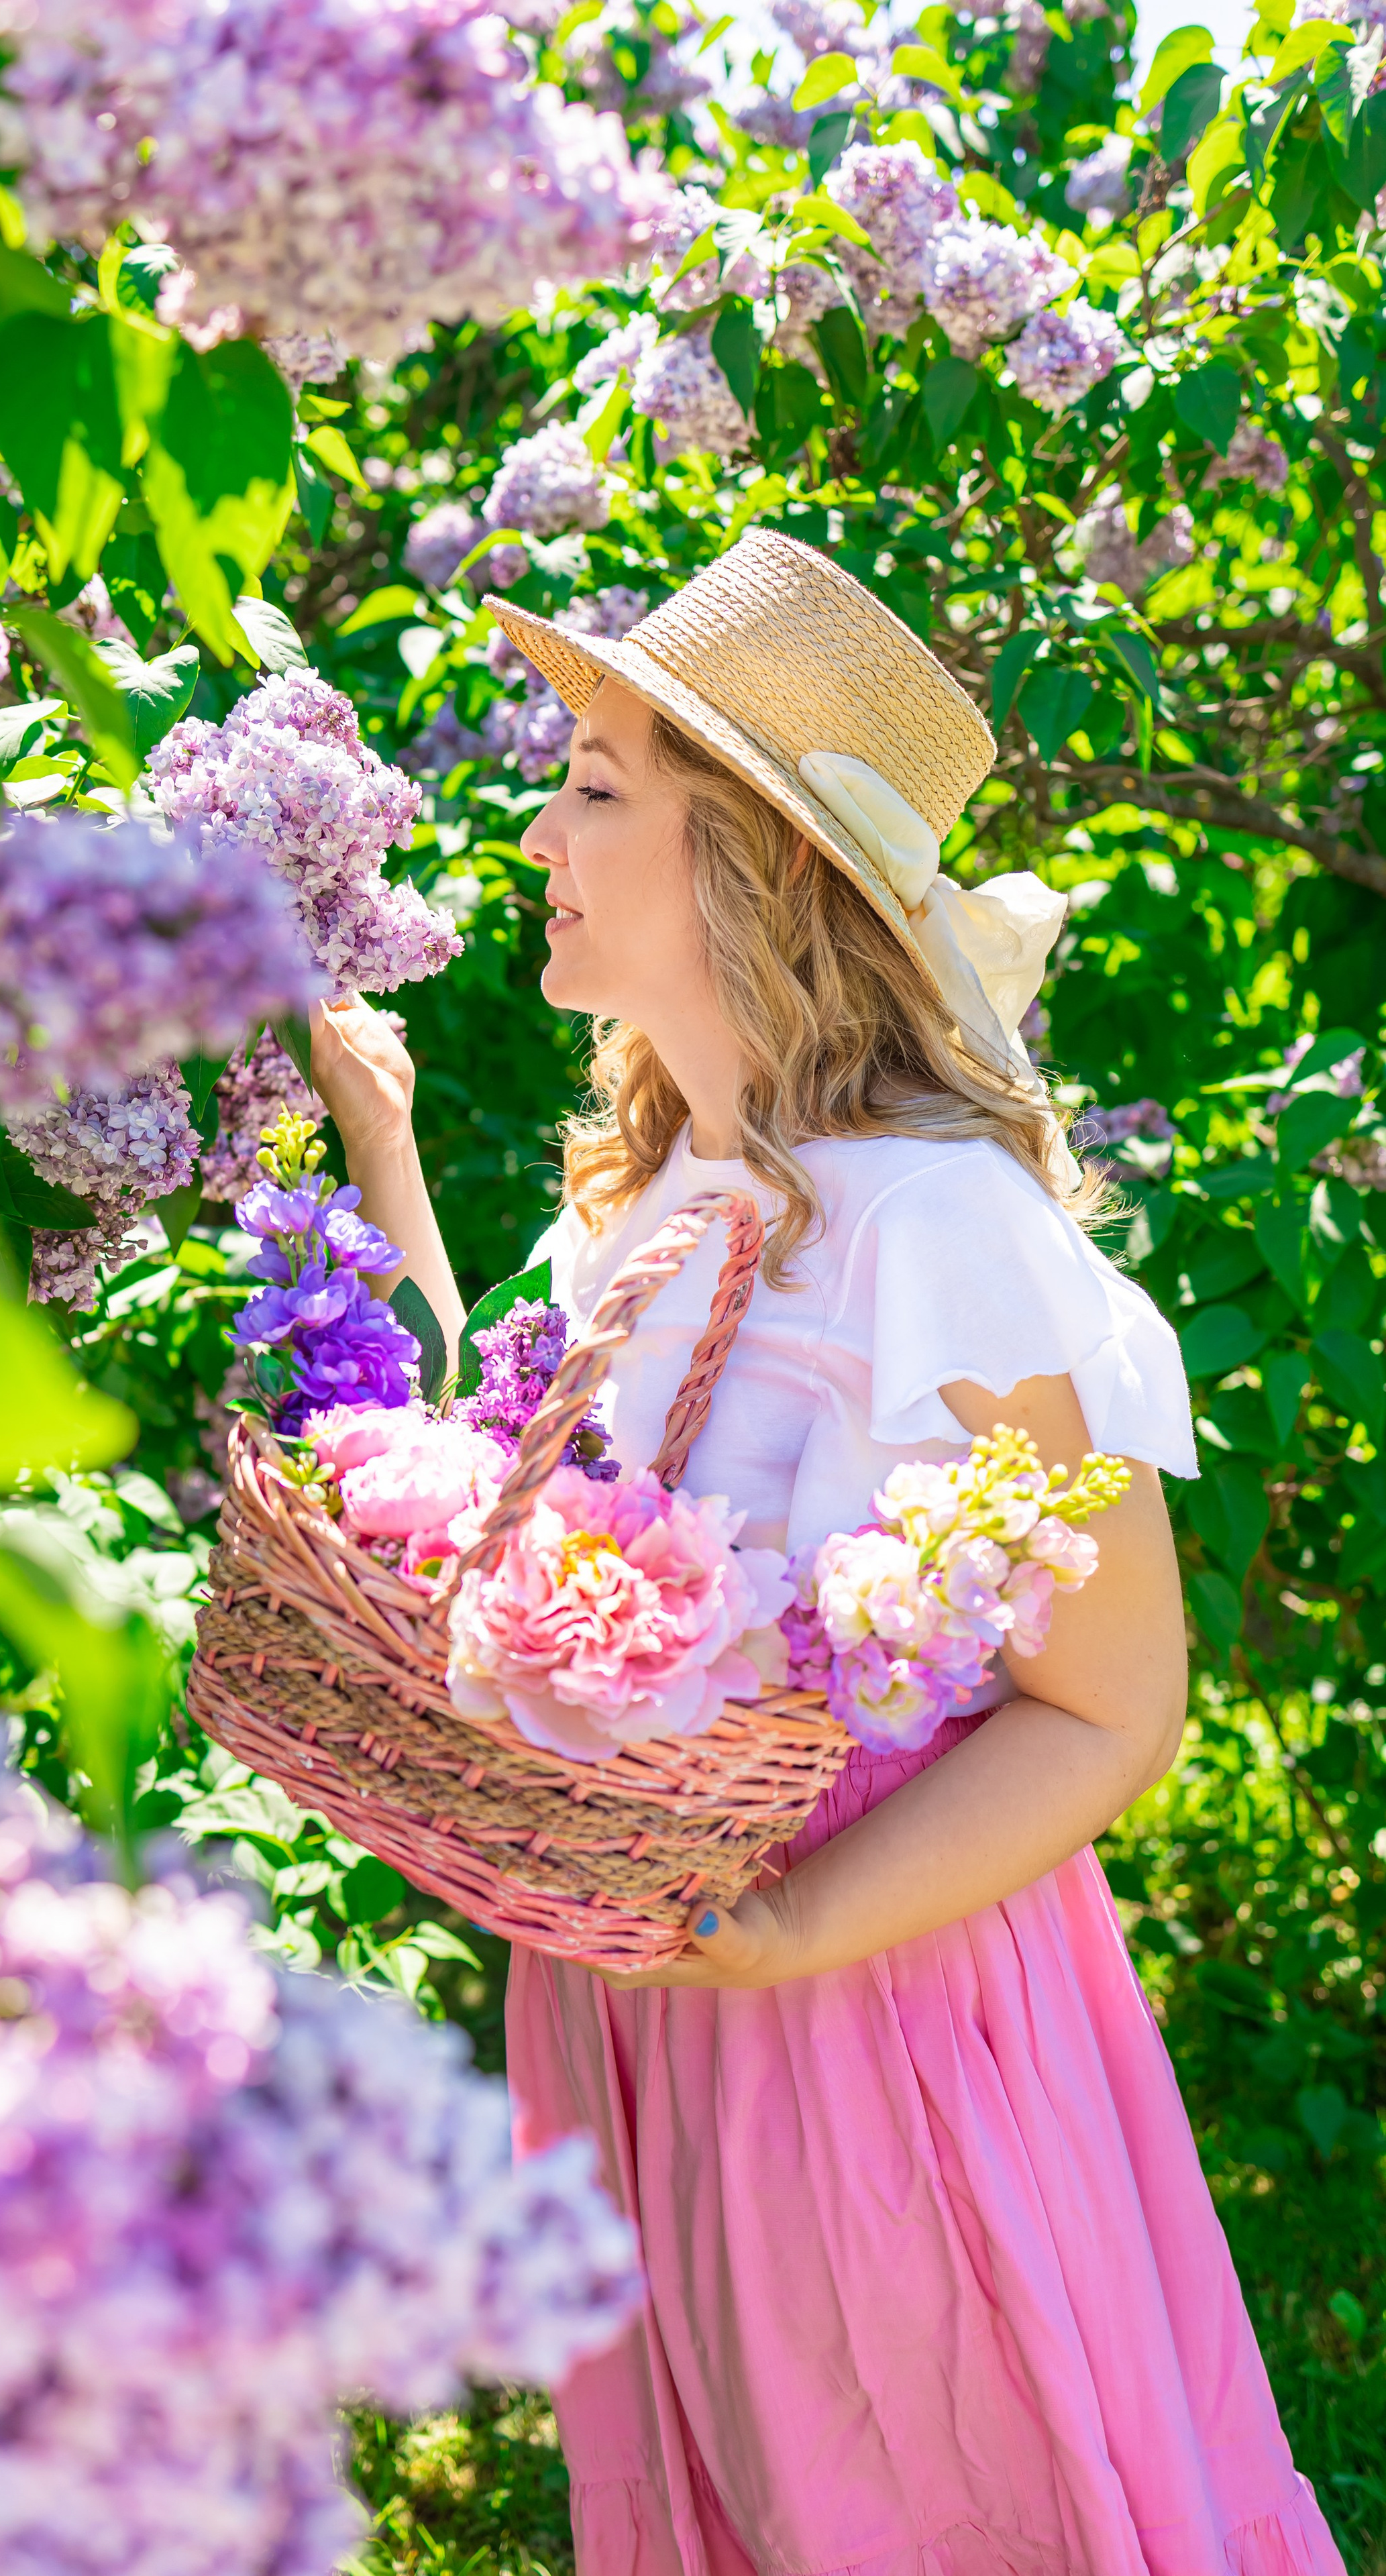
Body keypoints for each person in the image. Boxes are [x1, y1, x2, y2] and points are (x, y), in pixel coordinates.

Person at [308, 531, 1342, 2576]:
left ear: (755, 870)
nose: (542, 828)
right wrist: (382, 1153)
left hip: (876, 2029)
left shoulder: (930, 1236)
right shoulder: (656, 1204)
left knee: (922, 2486)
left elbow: (1115, 1705)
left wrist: (795, 1935)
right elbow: (506, 1491)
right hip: (658, 2005)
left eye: (602, 786)